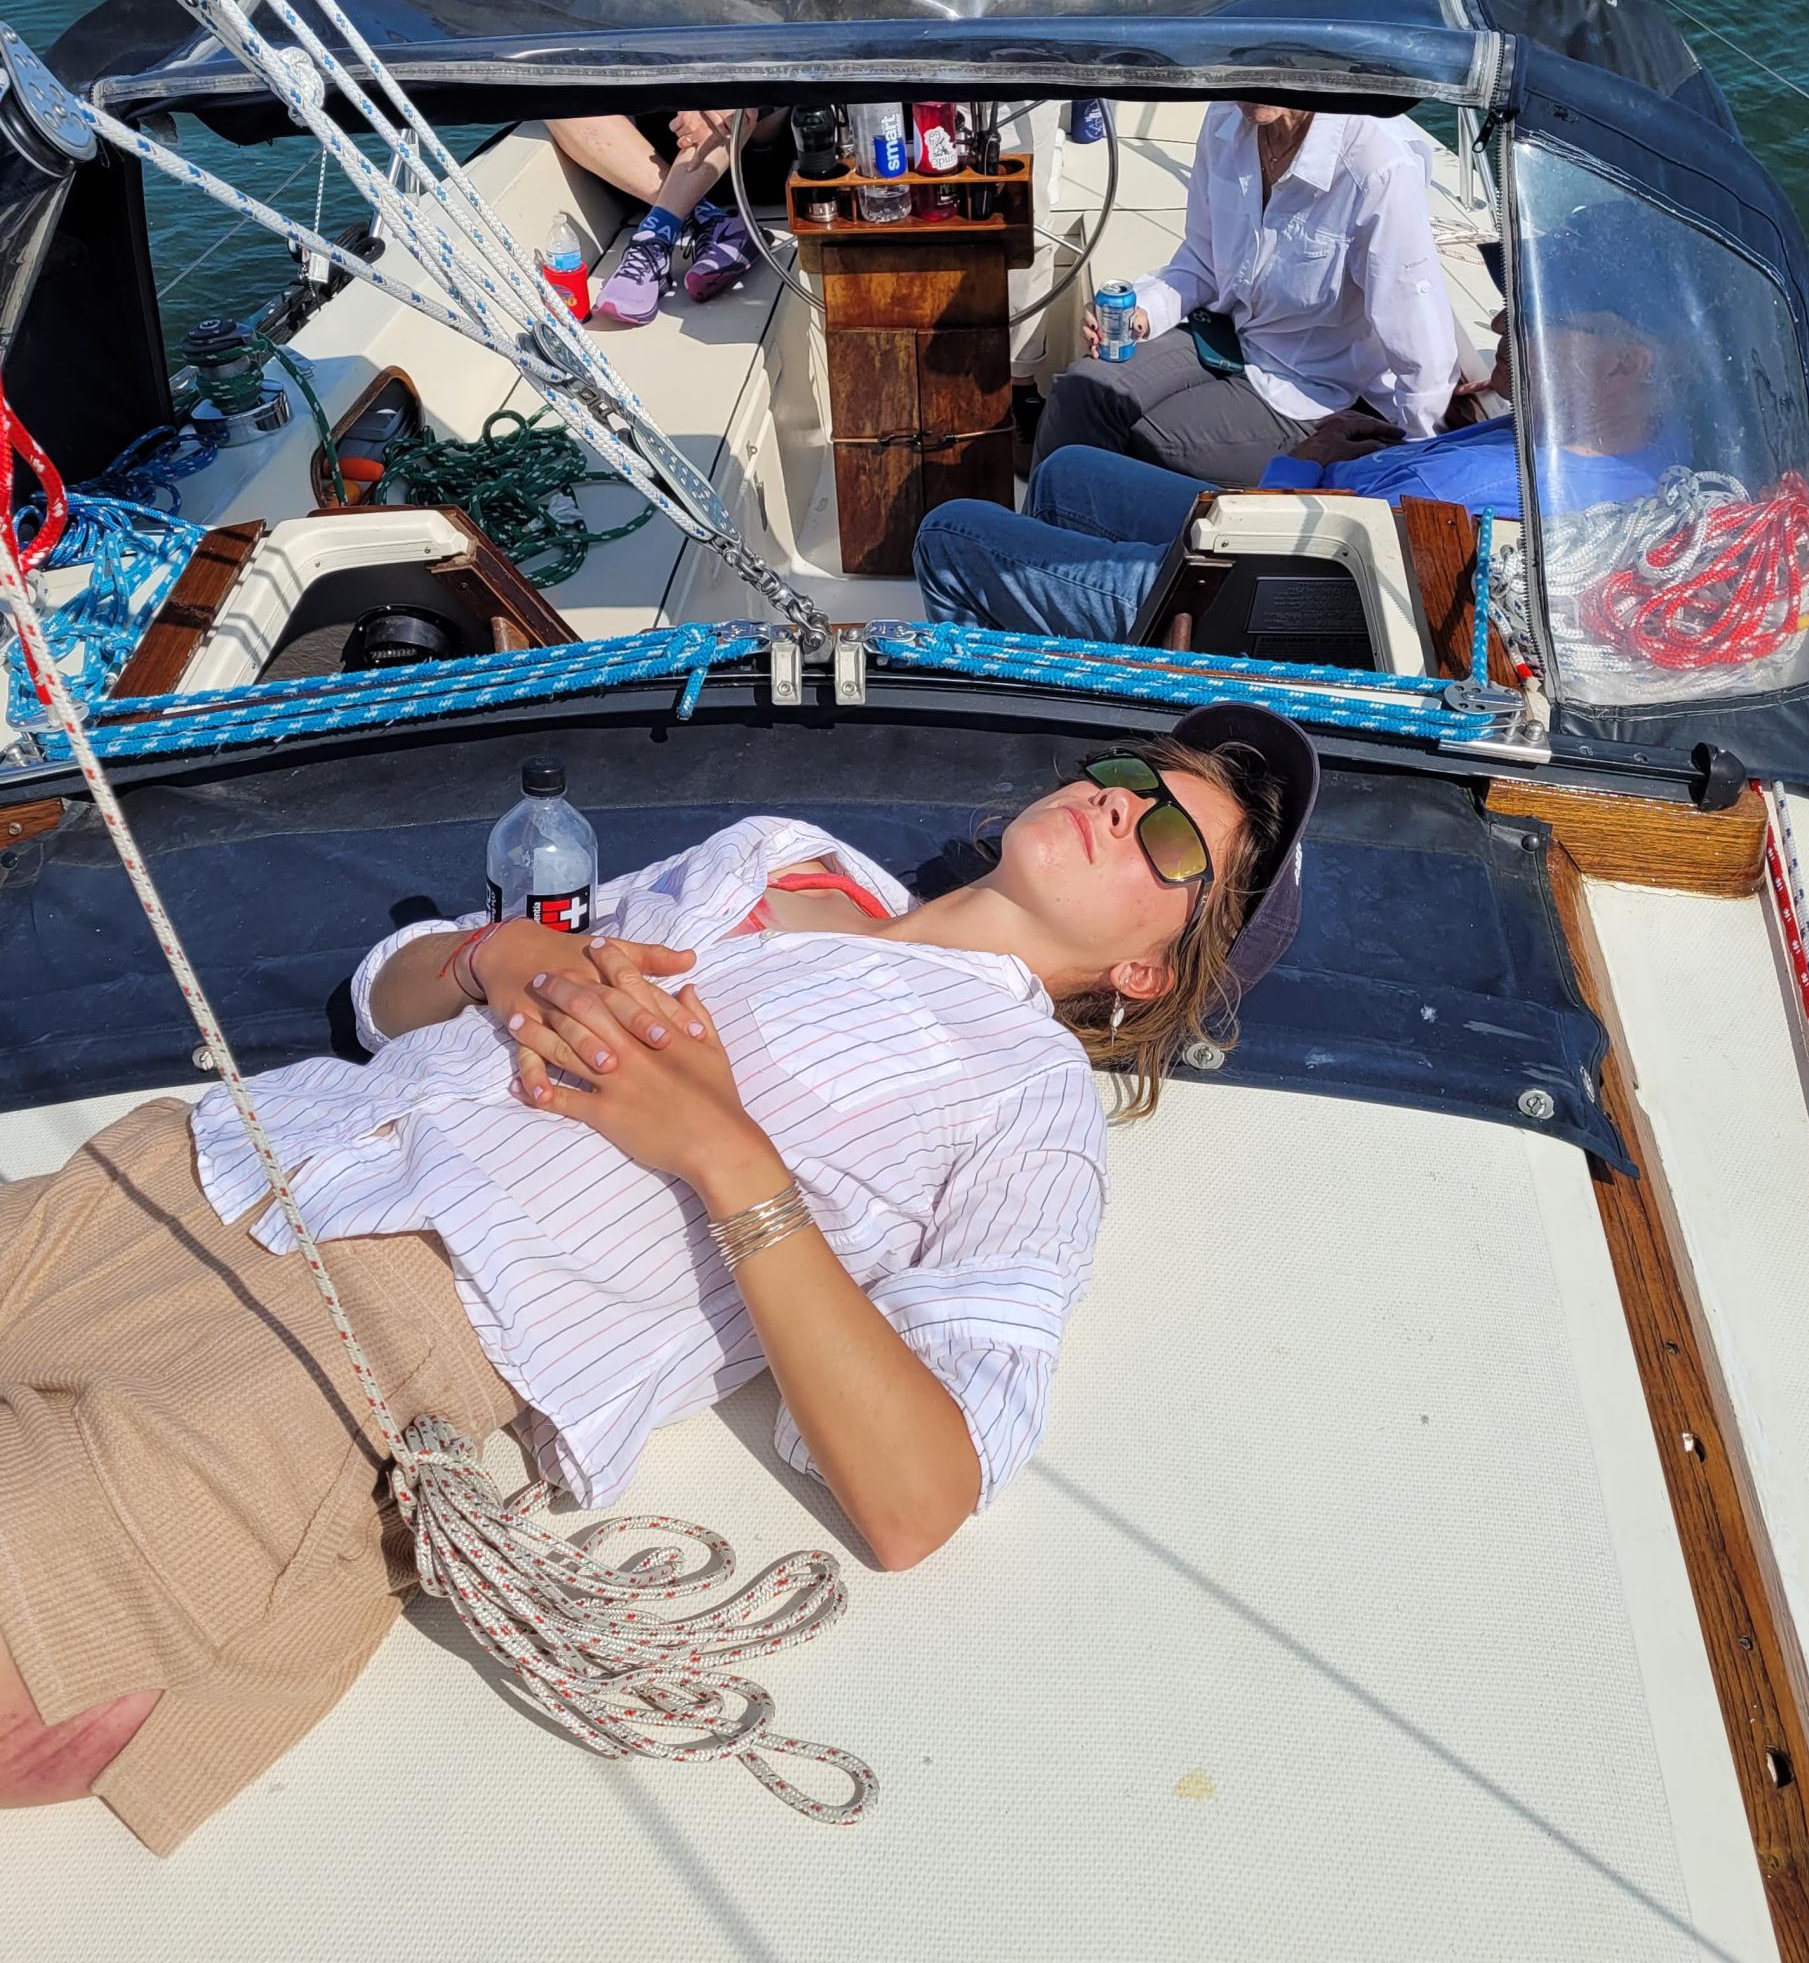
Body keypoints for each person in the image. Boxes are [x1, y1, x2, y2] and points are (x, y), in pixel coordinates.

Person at [0, 710, 1316, 1850]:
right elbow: (383, 998)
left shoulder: (1028, 1101)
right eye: (1125, 776)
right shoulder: (776, 855)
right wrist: (494, 960)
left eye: (1170, 840)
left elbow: (921, 1492)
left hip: (369, 1341)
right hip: (195, 1161)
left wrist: (726, 1155)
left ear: (1146, 970)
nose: (1121, 804)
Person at [917, 310, 1671, 640]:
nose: (1502, 324)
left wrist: (1308, 456)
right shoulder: (1606, 447)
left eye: (1538, 312)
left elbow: (1268, 538)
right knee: (1067, 474)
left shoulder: (1467, 489)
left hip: (1239, 603)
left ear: (1626, 362)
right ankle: (1070, 658)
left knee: (950, 535)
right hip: (1289, 547)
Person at [1034, 100, 1458, 485]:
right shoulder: (1226, 118)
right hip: (1229, 336)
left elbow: (1419, 335)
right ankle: (1040, 540)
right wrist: (1142, 310)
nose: (1252, 83)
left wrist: (1411, 465)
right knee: (1083, 391)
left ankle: (1086, 536)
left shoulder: (1377, 165)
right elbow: (1203, 259)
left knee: (1145, 438)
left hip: (1314, 391)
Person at [548, 0, 776, 321]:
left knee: (732, 97)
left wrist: (714, 85)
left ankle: (651, 242)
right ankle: (703, 219)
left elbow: (777, 53)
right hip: (665, 141)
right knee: (557, 97)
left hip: (751, 133)